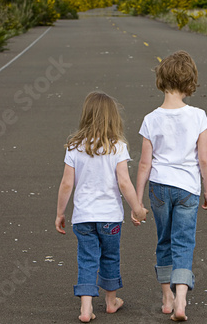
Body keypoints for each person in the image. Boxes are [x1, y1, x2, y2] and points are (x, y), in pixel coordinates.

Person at [134, 50, 207, 322]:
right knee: (184, 241)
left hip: (159, 187)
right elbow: (204, 158)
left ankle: (166, 299)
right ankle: (181, 297)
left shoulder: (151, 119)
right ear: (190, 82)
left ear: (161, 79)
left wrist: (137, 200)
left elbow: (144, 164)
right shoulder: (198, 116)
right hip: (188, 188)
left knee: (164, 240)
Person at [55, 91, 148, 323]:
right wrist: (137, 208)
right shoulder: (117, 146)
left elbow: (67, 184)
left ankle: (86, 308)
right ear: (113, 118)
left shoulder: (74, 146)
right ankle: (110, 301)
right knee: (110, 256)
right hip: (110, 217)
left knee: (87, 259)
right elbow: (124, 182)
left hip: (83, 217)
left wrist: (60, 213)